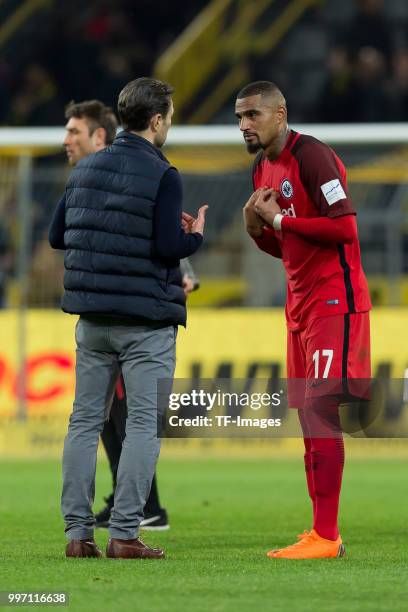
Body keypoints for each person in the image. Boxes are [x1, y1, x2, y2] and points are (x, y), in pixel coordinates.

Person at [49, 77, 207, 559]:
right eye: (171, 116)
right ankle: (123, 534)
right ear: (157, 120)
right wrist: (194, 236)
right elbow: (166, 247)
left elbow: (59, 235)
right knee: (141, 424)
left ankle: (78, 536)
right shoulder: (164, 173)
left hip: (92, 321)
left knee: (83, 422)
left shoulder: (84, 171)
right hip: (144, 324)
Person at [236, 81, 371, 559]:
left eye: (252, 115)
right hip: (299, 305)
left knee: (320, 412)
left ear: (280, 113)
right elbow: (284, 246)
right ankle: (319, 531)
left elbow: (345, 228)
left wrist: (277, 223)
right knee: (306, 415)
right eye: (239, 118)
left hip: (335, 300)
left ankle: (328, 536)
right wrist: (258, 232)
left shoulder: (312, 156)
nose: (244, 125)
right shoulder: (261, 167)